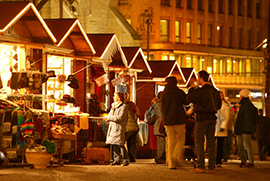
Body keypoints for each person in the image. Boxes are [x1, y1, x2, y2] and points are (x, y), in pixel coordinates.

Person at [187, 70, 222, 173]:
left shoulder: (199, 91)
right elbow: (219, 105)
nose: (197, 80)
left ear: (201, 79)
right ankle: (211, 166)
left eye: (198, 78)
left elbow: (190, 98)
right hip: (212, 118)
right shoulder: (215, 91)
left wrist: (192, 88)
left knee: (199, 142)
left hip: (201, 118)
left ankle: (200, 165)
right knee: (211, 142)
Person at [161, 76, 189, 169]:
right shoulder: (179, 92)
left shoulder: (163, 94)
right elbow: (186, 102)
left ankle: (171, 163)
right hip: (179, 119)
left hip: (168, 120)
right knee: (181, 138)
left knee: (171, 140)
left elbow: (162, 108)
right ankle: (176, 155)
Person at [234, 89, 259, 168]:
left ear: (241, 96)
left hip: (244, 128)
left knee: (244, 145)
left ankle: (247, 161)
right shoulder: (248, 106)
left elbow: (241, 119)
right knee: (245, 145)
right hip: (245, 128)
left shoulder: (244, 106)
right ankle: (247, 161)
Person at [105, 92, 129, 166]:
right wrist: (110, 114)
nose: (113, 97)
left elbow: (119, 118)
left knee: (120, 144)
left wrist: (109, 118)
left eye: (115, 96)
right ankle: (116, 160)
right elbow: (110, 114)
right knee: (114, 144)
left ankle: (125, 159)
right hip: (113, 127)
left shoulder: (124, 107)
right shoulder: (113, 106)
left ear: (119, 98)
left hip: (119, 128)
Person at [124, 92, 141, 162]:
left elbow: (138, 113)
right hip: (133, 127)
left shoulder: (131, 105)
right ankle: (132, 157)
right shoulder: (131, 104)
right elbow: (138, 113)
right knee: (131, 142)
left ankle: (126, 157)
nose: (125, 99)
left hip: (128, 127)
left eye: (126, 97)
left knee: (124, 142)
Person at [215, 91, 230, 167]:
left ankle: (218, 160)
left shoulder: (225, 105)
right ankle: (214, 159)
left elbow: (227, 117)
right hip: (214, 126)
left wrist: (223, 126)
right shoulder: (214, 104)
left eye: (221, 96)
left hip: (221, 126)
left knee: (220, 145)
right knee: (213, 145)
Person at [153, 91, 166, 164]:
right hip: (160, 124)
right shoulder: (161, 104)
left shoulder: (156, 104)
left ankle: (160, 156)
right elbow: (162, 114)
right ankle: (160, 157)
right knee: (161, 142)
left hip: (157, 123)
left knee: (160, 141)